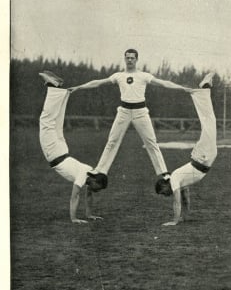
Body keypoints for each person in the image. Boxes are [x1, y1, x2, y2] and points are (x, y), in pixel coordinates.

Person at [69, 49, 193, 181]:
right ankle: (100, 170)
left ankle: (163, 173)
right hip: (124, 111)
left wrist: (183, 88)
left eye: (132, 58)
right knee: (112, 141)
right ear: (124, 59)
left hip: (141, 112)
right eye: (127, 58)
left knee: (151, 142)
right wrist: (78, 87)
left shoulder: (144, 75)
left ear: (136, 59)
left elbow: (163, 83)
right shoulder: (118, 76)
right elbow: (98, 82)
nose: (129, 60)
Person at [38, 71, 108, 223]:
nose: (96, 190)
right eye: (98, 187)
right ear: (95, 180)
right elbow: (74, 196)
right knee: (46, 121)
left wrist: (89, 215)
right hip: (55, 154)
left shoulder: (90, 172)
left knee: (56, 122)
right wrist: (74, 218)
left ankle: (62, 92)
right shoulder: (83, 176)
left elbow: (88, 196)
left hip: (63, 150)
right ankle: (53, 86)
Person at [155, 73, 218, 226]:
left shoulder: (175, 178)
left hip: (202, 157)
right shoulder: (179, 181)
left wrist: (175, 221)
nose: (166, 195)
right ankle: (204, 91)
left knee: (209, 122)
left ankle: (201, 91)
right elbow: (186, 198)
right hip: (204, 158)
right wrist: (185, 216)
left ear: (165, 184)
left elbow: (177, 202)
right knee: (209, 121)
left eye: (164, 192)